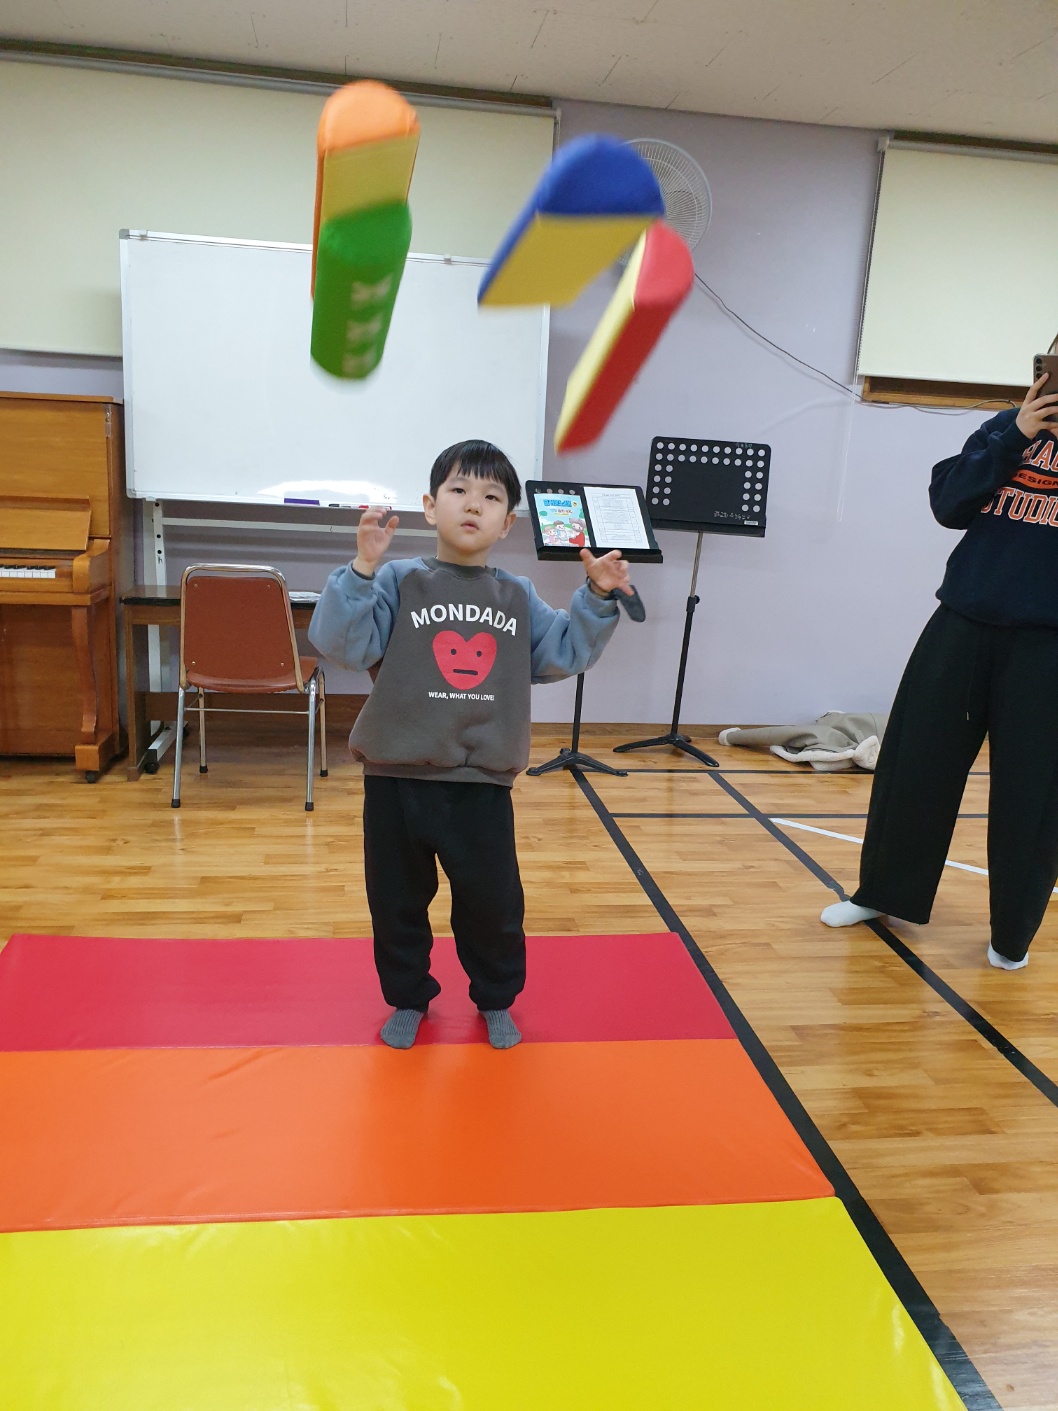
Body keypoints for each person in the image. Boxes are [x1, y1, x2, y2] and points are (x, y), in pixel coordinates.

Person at [309, 439, 631, 1047]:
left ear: (507, 523)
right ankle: (408, 997)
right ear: (431, 507)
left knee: (492, 907)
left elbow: (566, 651)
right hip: (396, 779)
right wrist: (361, 569)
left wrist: (597, 597)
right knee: (396, 905)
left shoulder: (516, 595)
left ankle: (496, 998)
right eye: (458, 490)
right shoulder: (399, 581)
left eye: (491, 496)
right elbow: (341, 645)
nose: (473, 504)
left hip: (480, 784)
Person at [821, 367, 1058, 969]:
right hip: (962, 622)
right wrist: (1014, 436)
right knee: (915, 765)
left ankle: (1011, 935)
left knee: (1033, 794)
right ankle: (882, 893)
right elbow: (947, 503)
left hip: (1049, 646)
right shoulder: (1006, 427)